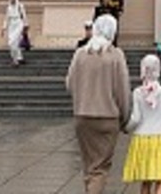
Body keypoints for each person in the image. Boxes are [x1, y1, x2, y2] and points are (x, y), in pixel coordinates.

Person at [65, 13, 132, 194]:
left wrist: (82, 99)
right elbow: (123, 91)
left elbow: (69, 84)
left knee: (89, 166)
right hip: (107, 118)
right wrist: (125, 119)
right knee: (100, 168)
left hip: (82, 117)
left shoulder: (80, 54)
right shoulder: (115, 55)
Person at [122, 53, 161, 194]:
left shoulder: (138, 92)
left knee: (146, 179)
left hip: (141, 138)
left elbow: (136, 118)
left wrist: (126, 128)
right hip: (159, 138)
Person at [4, 0, 30, 67]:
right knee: (12, 42)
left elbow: (24, 15)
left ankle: (15, 60)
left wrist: (26, 25)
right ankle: (19, 58)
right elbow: (6, 18)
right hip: (11, 25)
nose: (12, 0)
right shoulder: (9, 8)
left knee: (14, 42)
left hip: (19, 23)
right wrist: (4, 27)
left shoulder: (20, 6)